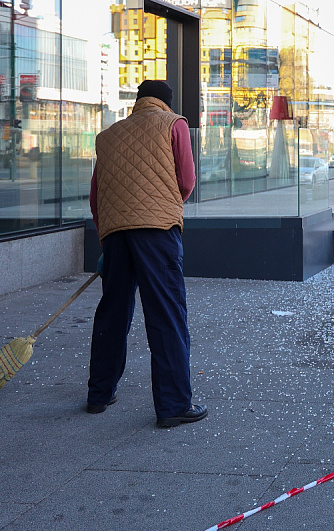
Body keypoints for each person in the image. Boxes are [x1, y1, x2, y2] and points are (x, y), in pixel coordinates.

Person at [87, 80, 207, 428]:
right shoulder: (174, 124)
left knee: (112, 313)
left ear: (138, 100)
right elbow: (186, 182)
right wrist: (161, 205)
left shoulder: (107, 136)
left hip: (115, 235)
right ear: (166, 102)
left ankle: (99, 394)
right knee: (166, 313)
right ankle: (172, 405)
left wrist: (106, 238)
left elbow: (96, 199)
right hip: (157, 232)